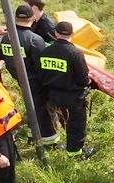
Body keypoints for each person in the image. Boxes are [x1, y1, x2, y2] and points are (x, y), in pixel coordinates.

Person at [0, 5, 58, 147]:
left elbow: (1, 55)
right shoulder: (35, 39)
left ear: (15, 18)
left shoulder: (6, 38)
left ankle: (32, 134)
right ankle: (49, 141)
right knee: (43, 110)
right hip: (36, 81)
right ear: (33, 18)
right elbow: (42, 65)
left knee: (31, 106)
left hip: (20, 79)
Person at [39, 21, 94, 159]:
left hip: (52, 96)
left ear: (55, 33)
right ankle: (75, 154)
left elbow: (42, 74)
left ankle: (56, 143)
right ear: (72, 34)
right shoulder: (75, 53)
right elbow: (83, 79)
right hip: (73, 98)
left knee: (62, 120)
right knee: (76, 125)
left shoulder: (45, 52)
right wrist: (89, 82)